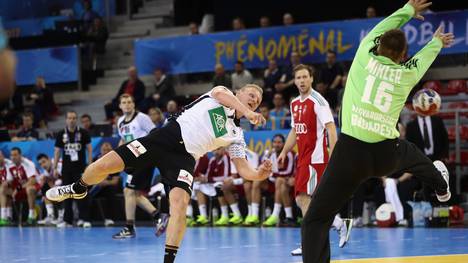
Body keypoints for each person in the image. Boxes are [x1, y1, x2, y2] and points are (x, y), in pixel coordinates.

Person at [47, 84, 272, 263]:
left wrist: (259, 174)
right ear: (240, 92)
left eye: (258, 101)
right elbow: (224, 96)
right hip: (163, 139)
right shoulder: (219, 93)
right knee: (104, 165)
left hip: (184, 159)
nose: (253, 100)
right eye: (251, 94)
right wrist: (248, 112)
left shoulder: (237, 135)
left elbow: (244, 170)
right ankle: (78, 188)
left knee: (180, 203)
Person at [300, 1, 454, 262]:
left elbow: (383, 27)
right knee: (413, 155)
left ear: (378, 45)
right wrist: (436, 41)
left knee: (315, 220)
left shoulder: (363, 55)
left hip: (350, 155)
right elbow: (423, 59)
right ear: (403, 55)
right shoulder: (407, 73)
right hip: (386, 155)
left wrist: (406, 10)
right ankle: (441, 187)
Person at [278, 64, 348, 256]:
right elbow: (295, 130)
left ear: (311, 79)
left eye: (304, 77)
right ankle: (338, 224)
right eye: (298, 78)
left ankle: (309, 241)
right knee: (309, 200)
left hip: (316, 159)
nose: (301, 80)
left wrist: (334, 155)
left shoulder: (318, 101)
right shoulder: (294, 103)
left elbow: (331, 128)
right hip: (303, 158)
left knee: (303, 199)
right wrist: (285, 151)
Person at [112, 94, 165, 239]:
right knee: (132, 194)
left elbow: (155, 134)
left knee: (129, 191)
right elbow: (123, 140)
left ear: (133, 104)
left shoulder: (142, 118)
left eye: (130, 102)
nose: (127, 104)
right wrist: (117, 157)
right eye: (124, 102)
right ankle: (159, 216)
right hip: (132, 160)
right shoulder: (120, 121)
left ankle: (130, 227)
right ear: (120, 106)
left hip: (144, 157)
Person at [53, 111, 93, 228]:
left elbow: (89, 149)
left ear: (77, 120)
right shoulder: (61, 134)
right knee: (67, 195)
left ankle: (84, 219)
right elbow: (57, 151)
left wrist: (89, 165)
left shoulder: (83, 133)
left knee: (81, 194)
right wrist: (55, 167)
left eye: (74, 118)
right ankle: (68, 221)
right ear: (66, 120)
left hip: (80, 169)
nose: (72, 120)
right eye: (70, 118)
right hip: (66, 169)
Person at [262, 134, 295, 227]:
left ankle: (275, 215)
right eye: (275, 142)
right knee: (257, 182)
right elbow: (263, 168)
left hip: (289, 182)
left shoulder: (290, 153)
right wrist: (266, 156)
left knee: (280, 182)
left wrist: (274, 175)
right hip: (275, 181)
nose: (277, 144)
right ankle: (289, 217)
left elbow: (289, 172)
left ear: (284, 144)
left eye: (279, 142)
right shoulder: (271, 154)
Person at [89, 142, 121, 227]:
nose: (106, 152)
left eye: (108, 150)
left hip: (107, 186)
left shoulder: (116, 162)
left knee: (111, 190)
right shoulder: (95, 160)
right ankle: (86, 219)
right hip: (96, 186)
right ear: (100, 151)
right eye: (104, 150)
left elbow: (115, 181)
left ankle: (109, 219)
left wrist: (105, 182)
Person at [5, 147, 39, 225]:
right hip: (19, 189)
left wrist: (17, 189)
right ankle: (6, 217)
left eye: (15, 155)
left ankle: (31, 216)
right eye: (11, 155)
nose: (13, 157)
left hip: (33, 188)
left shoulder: (28, 163)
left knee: (29, 189)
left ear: (20, 155)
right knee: (3, 189)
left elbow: (32, 181)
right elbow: (9, 181)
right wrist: (5, 184)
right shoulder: (9, 165)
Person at [36, 153, 64, 226]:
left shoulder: (59, 164)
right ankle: (50, 216)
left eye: (44, 162)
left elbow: (65, 179)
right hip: (59, 186)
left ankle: (62, 217)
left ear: (49, 159)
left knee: (56, 189)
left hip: (71, 185)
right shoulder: (45, 172)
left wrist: (53, 185)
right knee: (45, 188)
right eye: (40, 164)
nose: (43, 165)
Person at [0, 151, 13, 225]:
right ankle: (8, 216)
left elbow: (10, 181)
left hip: (14, 189)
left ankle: (3, 217)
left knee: (3, 189)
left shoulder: (10, 164)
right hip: (4, 190)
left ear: (3, 156)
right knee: (2, 190)